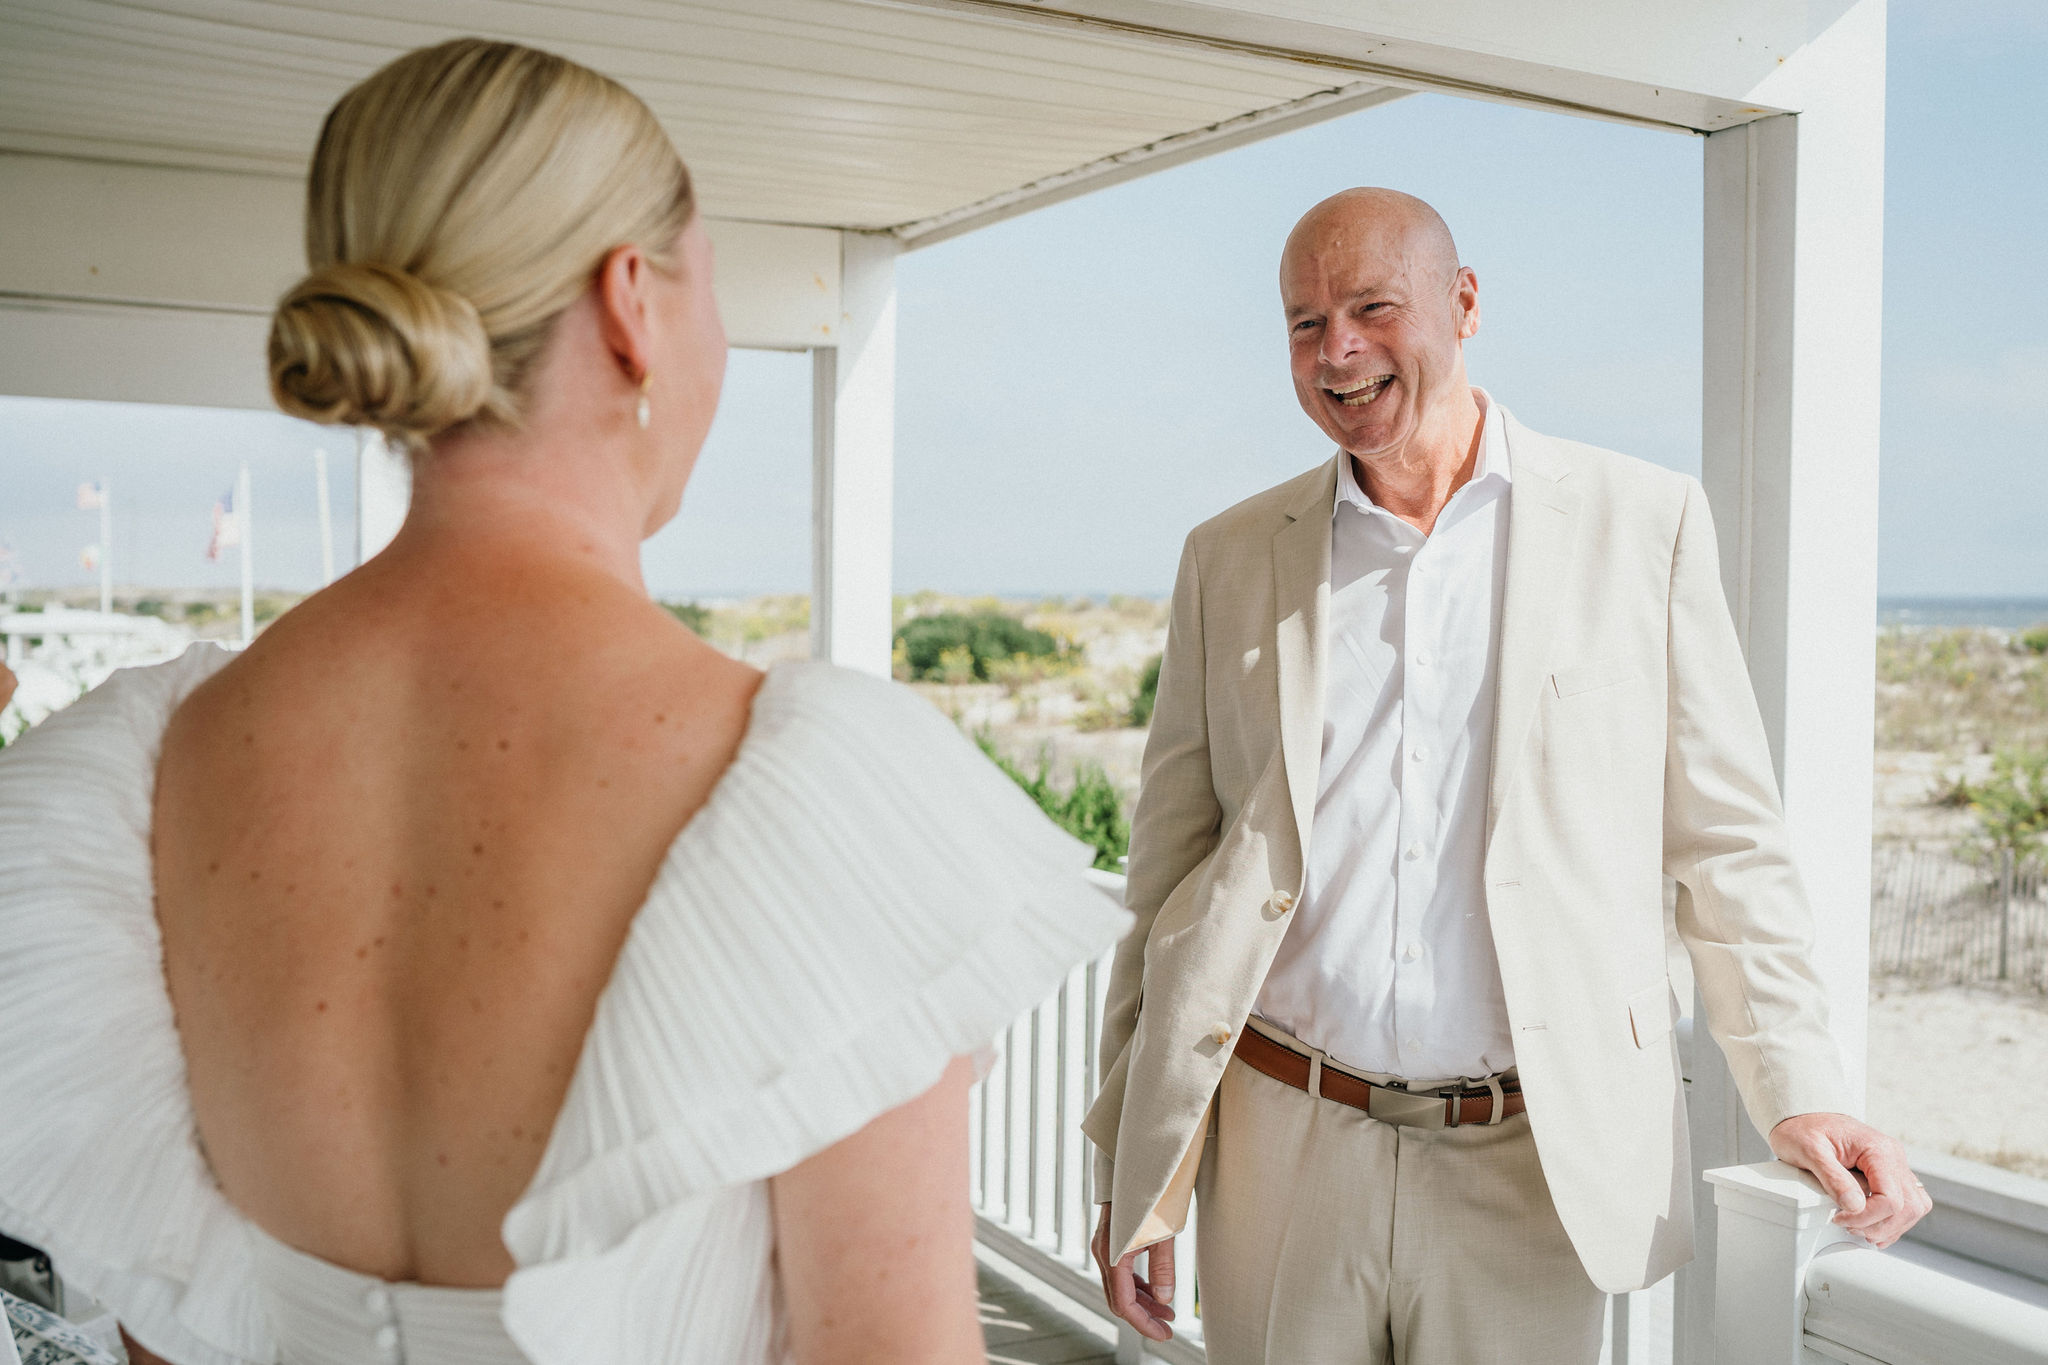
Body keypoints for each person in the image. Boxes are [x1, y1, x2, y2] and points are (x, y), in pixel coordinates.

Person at [0, 38, 1128, 1365]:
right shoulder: (820, 794)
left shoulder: (146, 772)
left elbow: (165, 1327)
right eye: (707, 282)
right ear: (629, 305)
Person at [1082, 188, 1929, 1364]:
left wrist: (1799, 1087)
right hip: (1279, 1145)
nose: (1338, 351)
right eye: (1302, 321)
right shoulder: (1227, 555)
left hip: (1532, 1162)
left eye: (1373, 307)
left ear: (1463, 303)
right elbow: (1167, 877)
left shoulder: (1642, 524)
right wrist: (1136, 1165)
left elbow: (1723, 844)